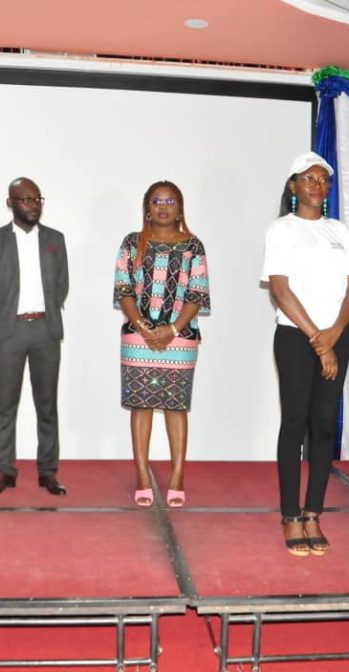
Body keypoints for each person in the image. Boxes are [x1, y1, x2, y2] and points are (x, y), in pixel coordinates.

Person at [261, 152, 349, 557]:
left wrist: (333, 334)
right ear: (293, 186)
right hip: (294, 337)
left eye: (323, 180)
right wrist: (319, 340)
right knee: (295, 422)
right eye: (309, 179)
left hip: (337, 335)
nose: (318, 186)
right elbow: (280, 289)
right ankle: (290, 515)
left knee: (323, 425)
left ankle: (313, 513)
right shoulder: (281, 230)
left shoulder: (339, 230)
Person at [114, 181, 211, 508]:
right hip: (137, 337)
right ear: (147, 207)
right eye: (157, 201)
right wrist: (144, 327)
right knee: (141, 404)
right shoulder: (132, 242)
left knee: (176, 406)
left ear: (180, 208)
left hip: (181, 338)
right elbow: (124, 289)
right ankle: (142, 474)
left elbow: (197, 293)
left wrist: (171, 329)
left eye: (170, 201)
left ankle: (178, 475)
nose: (163, 207)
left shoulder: (193, 245)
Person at [0, 177, 69, 495]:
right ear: (10, 203)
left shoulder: (55, 239)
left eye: (37, 199)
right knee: (5, 405)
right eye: (26, 199)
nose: (33, 205)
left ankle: (48, 472)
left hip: (46, 330)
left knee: (47, 405)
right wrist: (9, 314)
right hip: (10, 331)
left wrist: (45, 312)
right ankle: (4, 471)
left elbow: (62, 285)